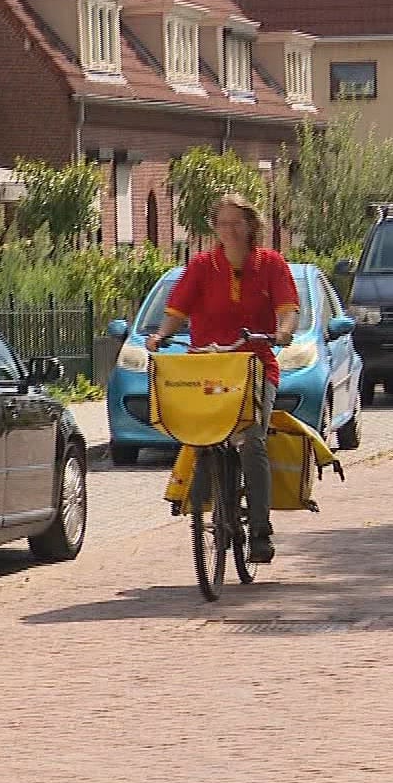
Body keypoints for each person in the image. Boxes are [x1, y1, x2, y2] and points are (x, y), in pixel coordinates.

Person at [146, 193, 299, 564]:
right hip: (208, 368)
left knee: (251, 441)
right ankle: (199, 507)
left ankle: (260, 531)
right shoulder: (201, 266)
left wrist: (283, 331)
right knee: (201, 437)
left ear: (250, 226)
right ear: (213, 227)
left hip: (253, 364)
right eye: (222, 223)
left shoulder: (272, 265)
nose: (228, 230)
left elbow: (288, 310)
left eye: (236, 223)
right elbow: (177, 311)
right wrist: (161, 334)